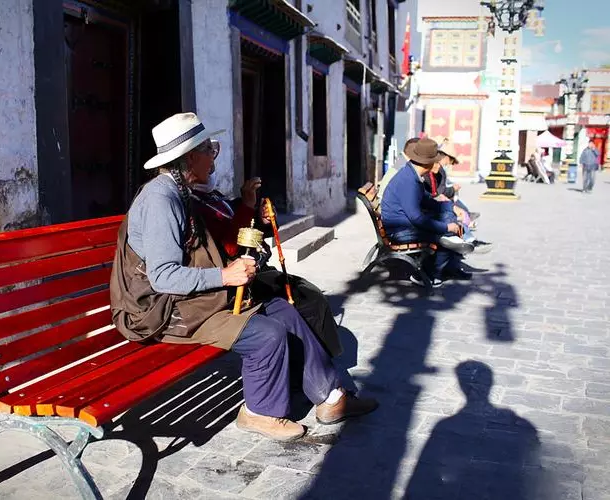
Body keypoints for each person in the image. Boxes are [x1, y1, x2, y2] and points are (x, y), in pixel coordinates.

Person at [110, 113, 376, 442]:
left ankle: (331, 398)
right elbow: (163, 277)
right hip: (160, 311)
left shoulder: (181, 191)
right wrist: (226, 274)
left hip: (189, 300)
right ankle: (259, 412)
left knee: (285, 311)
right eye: (209, 150)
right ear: (190, 156)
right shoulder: (162, 200)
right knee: (266, 334)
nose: (214, 157)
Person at [190, 142, 343, 358]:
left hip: (254, 268)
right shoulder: (193, 206)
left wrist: (260, 218)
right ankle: (308, 366)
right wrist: (246, 205)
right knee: (306, 303)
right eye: (208, 157)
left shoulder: (213, 197)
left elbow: (244, 225)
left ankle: (318, 364)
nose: (213, 162)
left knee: (309, 294)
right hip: (237, 281)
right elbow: (231, 247)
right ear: (190, 162)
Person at [380, 138, 474, 288]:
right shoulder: (408, 180)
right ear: (428, 163)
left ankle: (452, 256)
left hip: (406, 225)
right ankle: (427, 273)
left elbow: (427, 200)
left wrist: (451, 208)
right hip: (399, 230)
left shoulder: (412, 174)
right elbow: (417, 218)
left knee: (450, 219)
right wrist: (446, 228)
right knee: (446, 233)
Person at [424, 142, 493, 254]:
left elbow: (432, 195)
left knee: (453, 216)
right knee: (452, 220)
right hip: (420, 218)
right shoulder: (419, 176)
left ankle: (468, 240)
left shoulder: (430, 174)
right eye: (435, 162)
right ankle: (468, 239)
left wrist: (447, 204)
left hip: (428, 210)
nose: (440, 165)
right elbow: (417, 209)